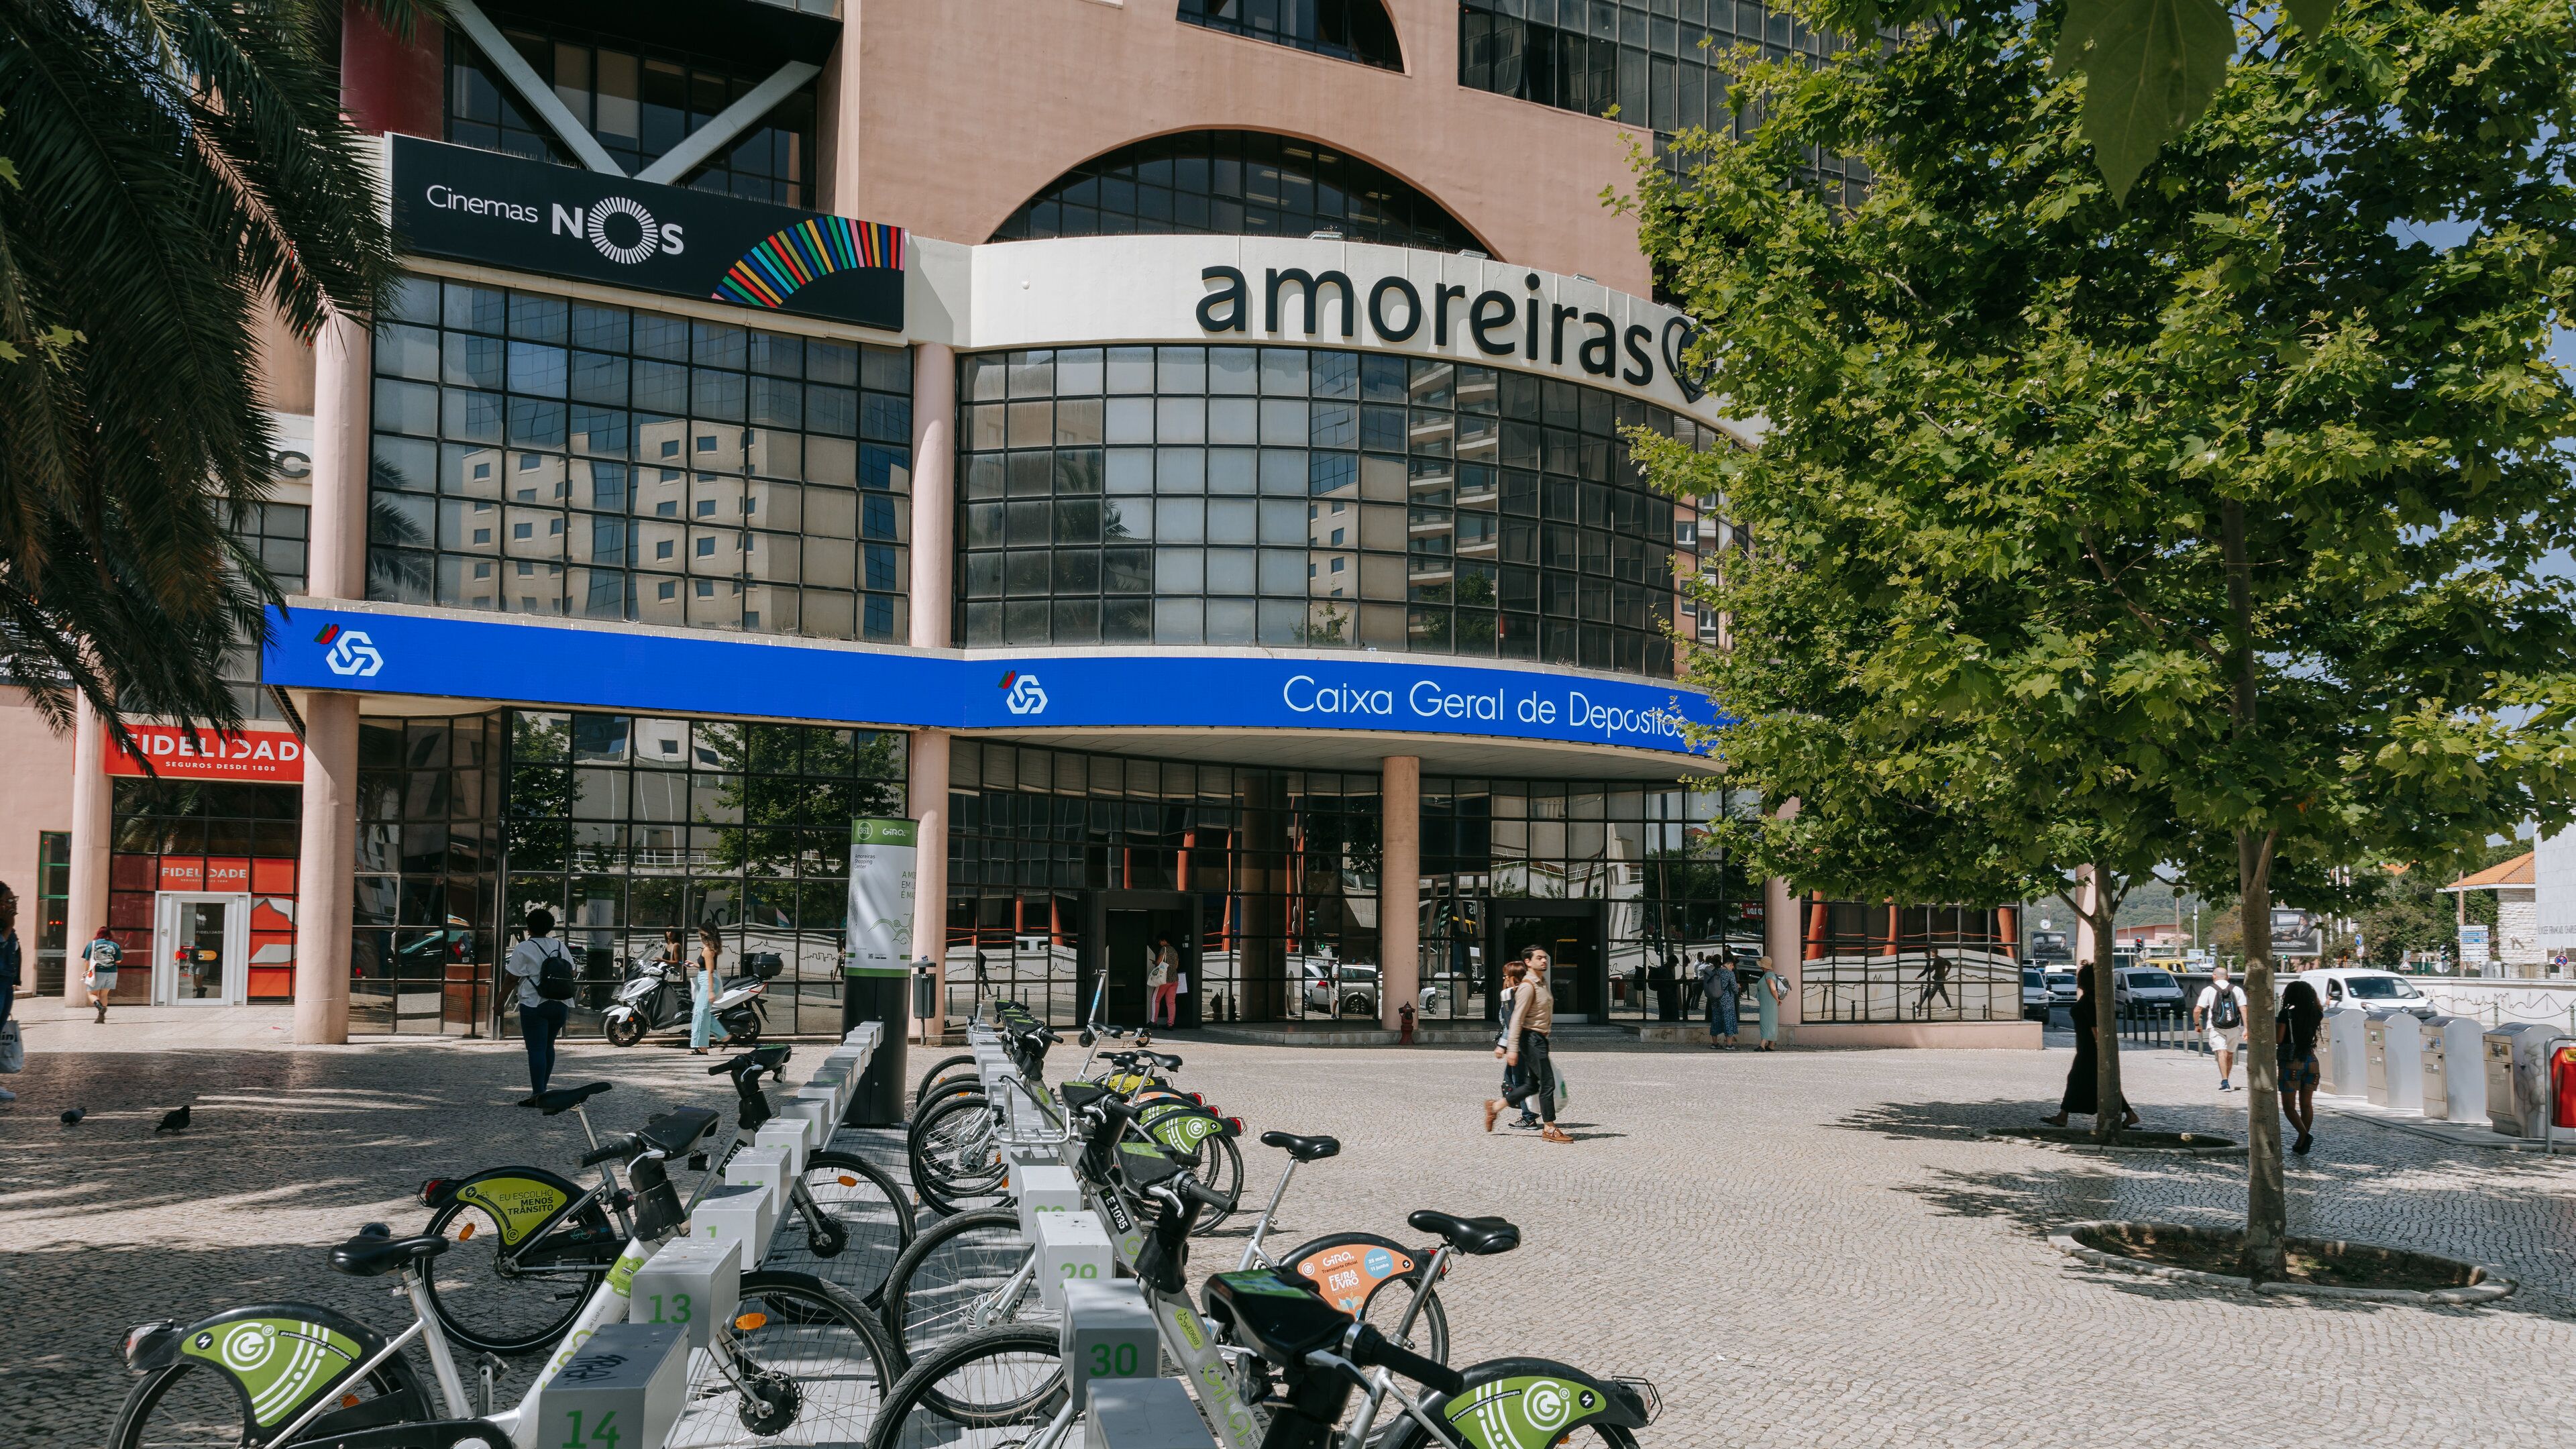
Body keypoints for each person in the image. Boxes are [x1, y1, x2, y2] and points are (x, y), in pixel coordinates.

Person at [1486, 947, 1570, 1142]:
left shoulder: (1542, 983)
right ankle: (1549, 1128)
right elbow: (1516, 1020)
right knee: (1547, 1082)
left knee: (1532, 1085)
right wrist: (1512, 1049)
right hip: (1531, 1039)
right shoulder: (1527, 986)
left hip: (1539, 1039)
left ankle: (1495, 1107)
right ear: (1528, 962)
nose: (1544, 961)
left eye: (1545, 958)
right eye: (1539, 958)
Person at [2043, 963, 2139, 1129]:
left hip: (2090, 1050)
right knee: (2099, 1082)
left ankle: (2063, 1116)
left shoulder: (2090, 1000)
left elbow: (2096, 1028)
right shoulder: (2092, 997)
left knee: (2077, 1079)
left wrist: (2101, 1050)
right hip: (2087, 1049)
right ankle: (2130, 1114)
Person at [505, 909, 573, 1100]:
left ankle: (538, 1093)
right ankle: (542, 1088)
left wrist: (499, 1002)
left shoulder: (524, 948)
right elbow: (572, 972)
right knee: (548, 1046)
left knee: (535, 1048)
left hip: (534, 1004)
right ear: (550, 927)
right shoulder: (560, 946)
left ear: (528, 927)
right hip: (560, 1003)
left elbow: (512, 978)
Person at [2278, 979, 2324, 1155]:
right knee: (2307, 1105)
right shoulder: (2317, 1013)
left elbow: (2279, 1039)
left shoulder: (2286, 1014)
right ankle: (2300, 1142)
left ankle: (2304, 1135)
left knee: (2289, 1105)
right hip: (2312, 1061)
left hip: (2292, 1062)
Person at [1491, 961, 1538, 1129]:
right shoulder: (1516, 994)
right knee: (1510, 1080)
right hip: (1521, 1045)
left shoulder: (1515, 996)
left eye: (1507, 976)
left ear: (1515, 978)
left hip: (1519, 1047)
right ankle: (1524, 1108)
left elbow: (1512, 1025)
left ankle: (1529, 1117)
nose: (1504, 978)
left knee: (1519, 1082)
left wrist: (1503, 1046)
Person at [2194, 963, 2249, 1091]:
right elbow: (2244, 1009)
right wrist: (2246, 1028)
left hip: (2216, 1026)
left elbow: (2197, 1010)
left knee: (2221, 1052)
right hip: (2234, 1026)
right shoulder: (2237, 990)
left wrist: (2197, 1025)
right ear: (2228, 977)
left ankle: (2225, 1082)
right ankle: (2226, 1079)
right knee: (2229, 1054)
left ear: (2214, 976)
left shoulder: (2209, 990)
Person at [689, 925, 723, 1054]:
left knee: (701, 1013)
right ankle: (699, 1046)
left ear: (703, 936)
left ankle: (701, 1047)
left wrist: (710, 992)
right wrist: (694, 964)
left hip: (708, 982)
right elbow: (705, 967)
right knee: (699, 1012)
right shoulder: (707, 949)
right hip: (705, 980)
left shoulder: (708, 950)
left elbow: (710, 971)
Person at [0, 890, 20, 1102]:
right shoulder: (5, 926)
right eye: (7, 900)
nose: (12, 904)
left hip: (5, 982)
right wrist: (8, 925)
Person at [80, 926, 122, 1024]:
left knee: (91, 994)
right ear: (110, 934)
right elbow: (119, 960)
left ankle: (99, 1007)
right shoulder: (115, 945)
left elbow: (87, 961)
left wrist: (86, 972)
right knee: (104, 995)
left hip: (97, 972)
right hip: (112, 972)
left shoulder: (92, 944)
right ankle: (101, 1017)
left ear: (98, 933)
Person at [1700, 953, 1739, 1049]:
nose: (1733, 968)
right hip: (1727, 1001)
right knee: (1728, 1021)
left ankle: (1715, 1044)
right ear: (1730, 964)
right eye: (1732, 966)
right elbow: (1735, 989)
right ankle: (1729, 1045)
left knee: (1716, 1021)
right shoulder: (1730, 973)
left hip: (1715, 1000)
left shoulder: (1715, 971)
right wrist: (1738, 987)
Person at [1754, 956, 1786, 1051]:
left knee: (1766, 1022)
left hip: (1768, 1003)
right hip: (1769, 1002)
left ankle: (1762, 1045)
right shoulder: (1770, 974)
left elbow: (1773, 988)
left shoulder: (1768, 975)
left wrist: (1777, 999)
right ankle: (1771, 1045)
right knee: (1771, 1022)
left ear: (1763, 966)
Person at [1148, 936, 1179, 1027]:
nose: (1159, 943)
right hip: (1175, 979)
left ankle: (1153, 1022)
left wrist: (1154, 962)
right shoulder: (1174, 951)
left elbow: (1159, 962)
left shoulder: (1163, 949)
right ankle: (1170, 1024)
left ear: (1165, 940)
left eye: (1160, 941)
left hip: (1164, 979)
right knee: (1171, 1002)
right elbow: (1176, 965)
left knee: (1155, 999)